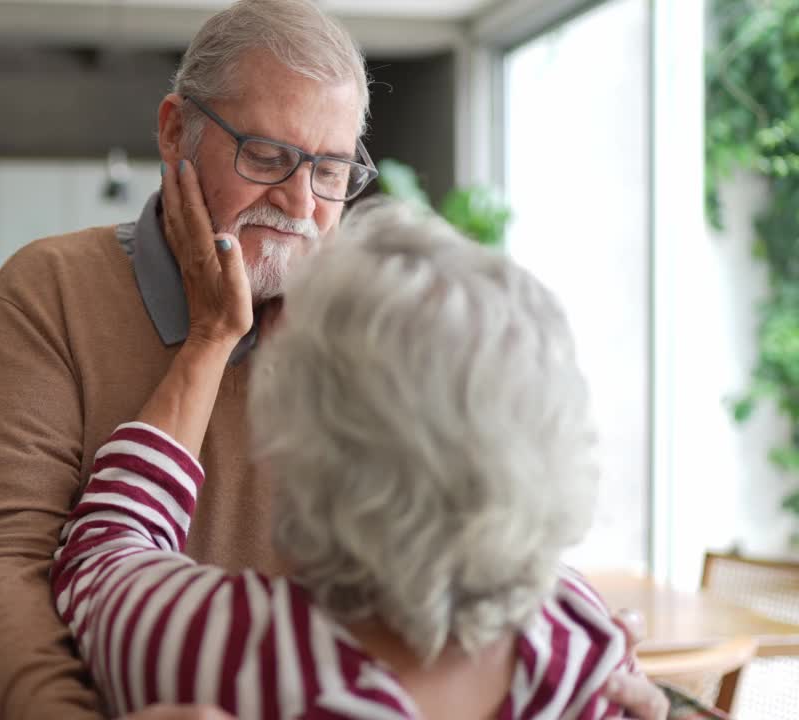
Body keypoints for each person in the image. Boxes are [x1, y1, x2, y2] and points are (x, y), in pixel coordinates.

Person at [0, 1, 668, 718]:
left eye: (330, 171)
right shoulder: (50, 288)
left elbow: (469, 517)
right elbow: (3, 566)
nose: (299, 202)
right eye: (267, 156)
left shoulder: (370, 309)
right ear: (174, 132)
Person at [52, 187, 631, 718]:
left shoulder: (233, 652)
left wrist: (210, 338)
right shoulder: (584, 644)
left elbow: (100, 555)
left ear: (302, 450)